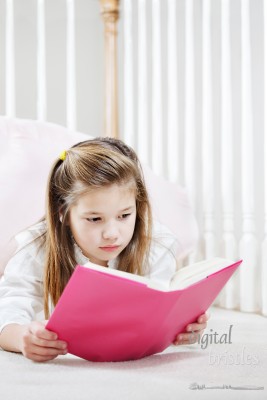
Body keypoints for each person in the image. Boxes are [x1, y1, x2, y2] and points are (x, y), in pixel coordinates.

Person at [0, 137, 209, 362]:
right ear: (63, 213)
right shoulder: (36, 247)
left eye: (124, 215)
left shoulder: (155, 244)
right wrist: (22, 337)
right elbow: (9, 309)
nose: (112, 233)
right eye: (94, 219)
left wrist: (182, 327)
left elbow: (161, 310)